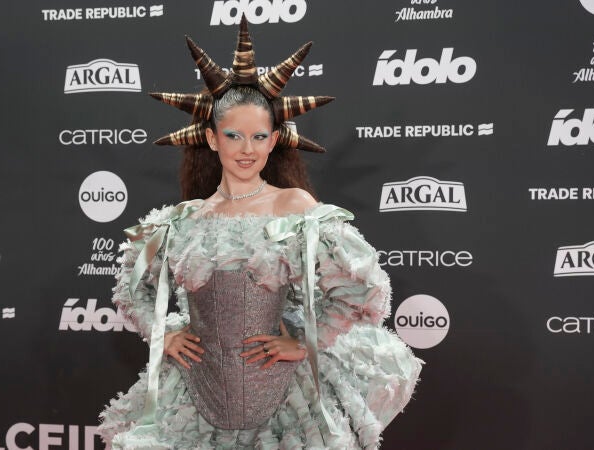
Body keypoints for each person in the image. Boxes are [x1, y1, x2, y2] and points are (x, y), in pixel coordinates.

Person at [98, 17, 422, 450]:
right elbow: (132, 285)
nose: (246, 149)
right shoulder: (181, 219)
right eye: (233, 135)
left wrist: (305, 343)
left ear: (274, 140)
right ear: (212, 138)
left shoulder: (295, 206)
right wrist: (164, 334)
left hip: (282, 391)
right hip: (194, 392)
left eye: (259, 136)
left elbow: (359, 285)